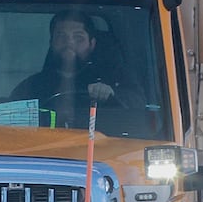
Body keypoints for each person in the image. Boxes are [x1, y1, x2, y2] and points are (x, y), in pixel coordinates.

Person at [11, 11, 142, 129]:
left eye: (78, 37)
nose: (69, 43)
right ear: (51, 42)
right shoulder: (31, 87)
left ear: (92, 44)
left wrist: (112, 94)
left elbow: (140, 105)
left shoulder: (113, 79)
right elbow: (9, 121)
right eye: (61, 36)